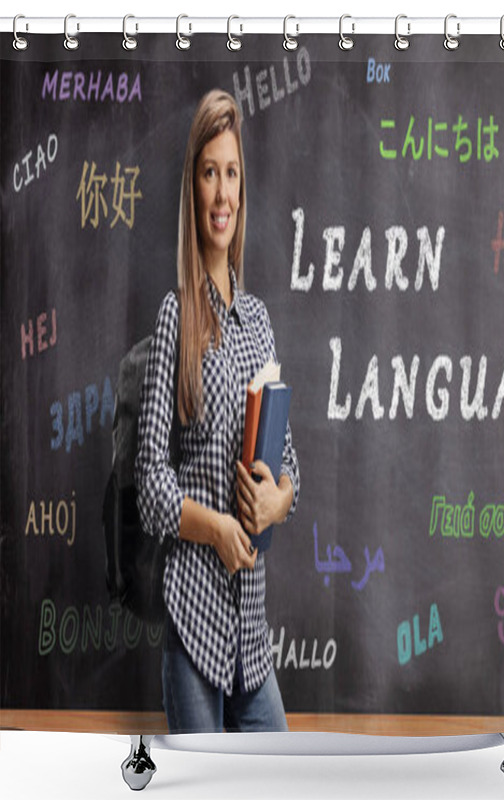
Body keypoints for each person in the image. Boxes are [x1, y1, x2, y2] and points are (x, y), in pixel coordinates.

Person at [134, 89, 299, 734]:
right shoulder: (177, 317)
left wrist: (277, 502)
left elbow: (289, 464)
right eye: (210, 174)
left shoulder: (257, 321)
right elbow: (151, 485)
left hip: (251, 635)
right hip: (193, 624)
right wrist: (219, 529)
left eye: (231, 173)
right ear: (193, 190)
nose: (222, 193)